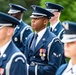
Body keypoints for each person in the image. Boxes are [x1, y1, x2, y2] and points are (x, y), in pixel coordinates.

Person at [24, 5, 66, 75]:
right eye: (32, 18)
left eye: (36, 19)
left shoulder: (54, 41)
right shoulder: (30, 37)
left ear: (45, 22)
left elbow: (52, 68)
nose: (33, 21)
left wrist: (30, 69)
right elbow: (26, 60)